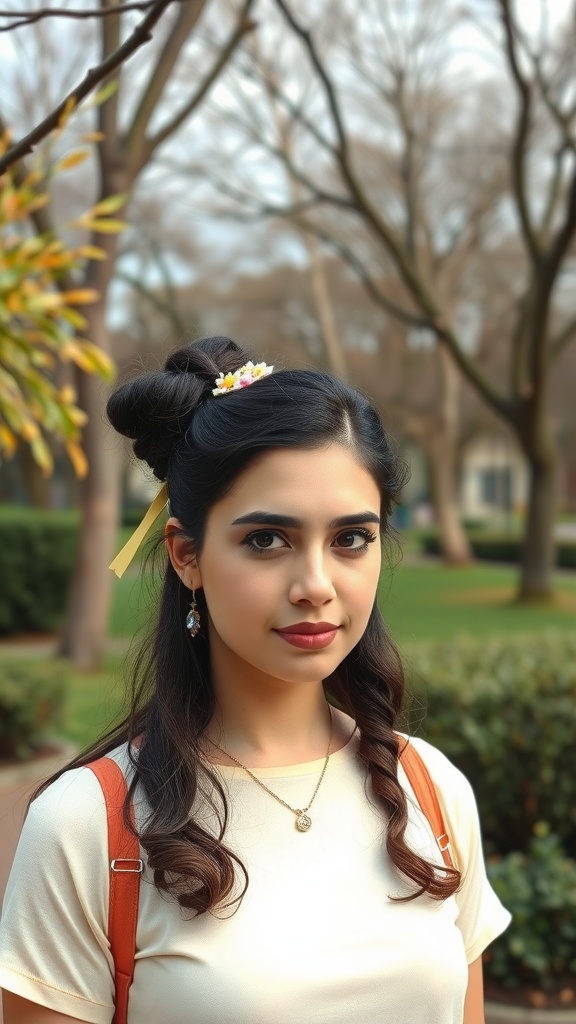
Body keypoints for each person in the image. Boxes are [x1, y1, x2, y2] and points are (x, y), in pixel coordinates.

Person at [0, 336, 510, 1024]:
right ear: (187, 556)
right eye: (267, 539)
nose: (317, 586)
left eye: (351, 539)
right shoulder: (87, 827)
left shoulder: (432, 790)